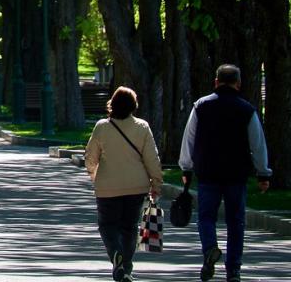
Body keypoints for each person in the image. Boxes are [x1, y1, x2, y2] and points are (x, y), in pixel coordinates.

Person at [179, 64, 271, 282]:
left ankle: (210, 248)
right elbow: (257, 144)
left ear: (216, 82)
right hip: (236, 174)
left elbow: (189, 139)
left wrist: (186, 167)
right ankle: (234, 270)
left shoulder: (201, 106)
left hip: (208, 172)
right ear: (238, 84)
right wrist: (263, 173)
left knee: (206, 217)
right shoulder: (247, 110)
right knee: (236, 221)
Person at [85, 86, 163, 282]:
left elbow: (90, 156)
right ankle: (126, 268)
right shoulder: (142, 127)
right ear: (133, 106)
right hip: (136, 187)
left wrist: (94, 175)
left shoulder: (102, 126)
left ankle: (115, 254)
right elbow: (152, 158)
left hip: (107, 188)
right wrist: (156, 182)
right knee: (129, 227)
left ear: (113, 104)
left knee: (107, 225)